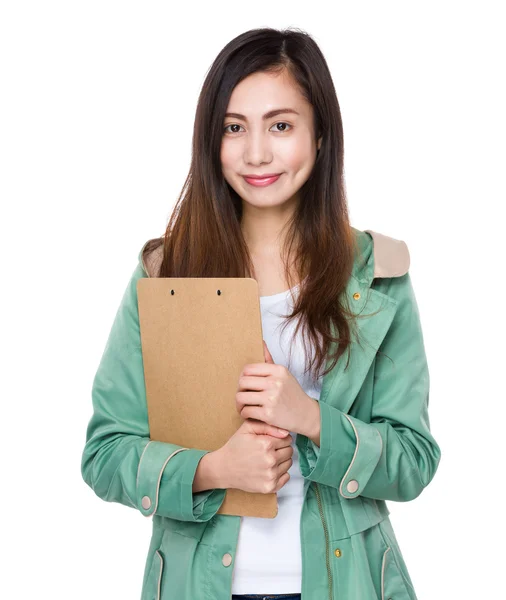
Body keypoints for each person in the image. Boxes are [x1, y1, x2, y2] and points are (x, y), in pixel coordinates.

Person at [81, 26, 441, 600]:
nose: (256, 153)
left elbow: (414, 461)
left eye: (280, 125)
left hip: (344, 585)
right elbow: (105, 452)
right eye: (233, 127)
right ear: (211, 139)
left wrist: (312, 418)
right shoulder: (167, 273)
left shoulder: (375, 276)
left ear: (321, 134)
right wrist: (213, 471)